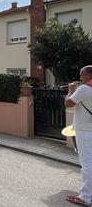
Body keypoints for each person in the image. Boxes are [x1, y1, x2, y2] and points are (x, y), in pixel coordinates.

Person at [65, 65, 92, 207]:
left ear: (88, 75)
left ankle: (86, 197)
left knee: (87, 164)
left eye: (82, 75)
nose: (80, 77)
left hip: (85, 130)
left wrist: (71, 90)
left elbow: (68, 103)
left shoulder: (84, 89)